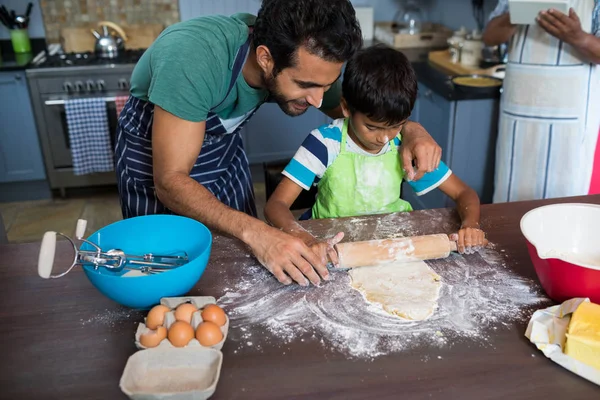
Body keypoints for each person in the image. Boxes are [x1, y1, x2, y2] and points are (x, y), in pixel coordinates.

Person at [115, 0, 443, 287]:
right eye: (306, 85)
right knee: (166, 270)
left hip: (222, 151)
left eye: (326, 85)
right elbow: (170, 181)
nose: (318, 101)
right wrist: (260, 233)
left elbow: (363, 116)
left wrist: (410, 128)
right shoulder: (193, 57)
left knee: (240, 268)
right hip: (158, 160)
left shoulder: (308, 60)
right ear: (266, 59)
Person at [264, 45, 487, 268]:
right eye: (372, 128)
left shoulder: (405, 147)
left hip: (393, 246)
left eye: (396, 126)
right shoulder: (325, 144)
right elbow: (276, 205)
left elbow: (464, 193)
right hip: (333, 248)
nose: (384, 139)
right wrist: (306, 238)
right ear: (346, 107)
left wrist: (471, 226)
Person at [483, 1, 600, 202]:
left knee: (562, 207)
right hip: (518, 114)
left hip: (570, 119)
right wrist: (518, 14)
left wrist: (578, 37)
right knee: (508, 204)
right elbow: (489, 36)